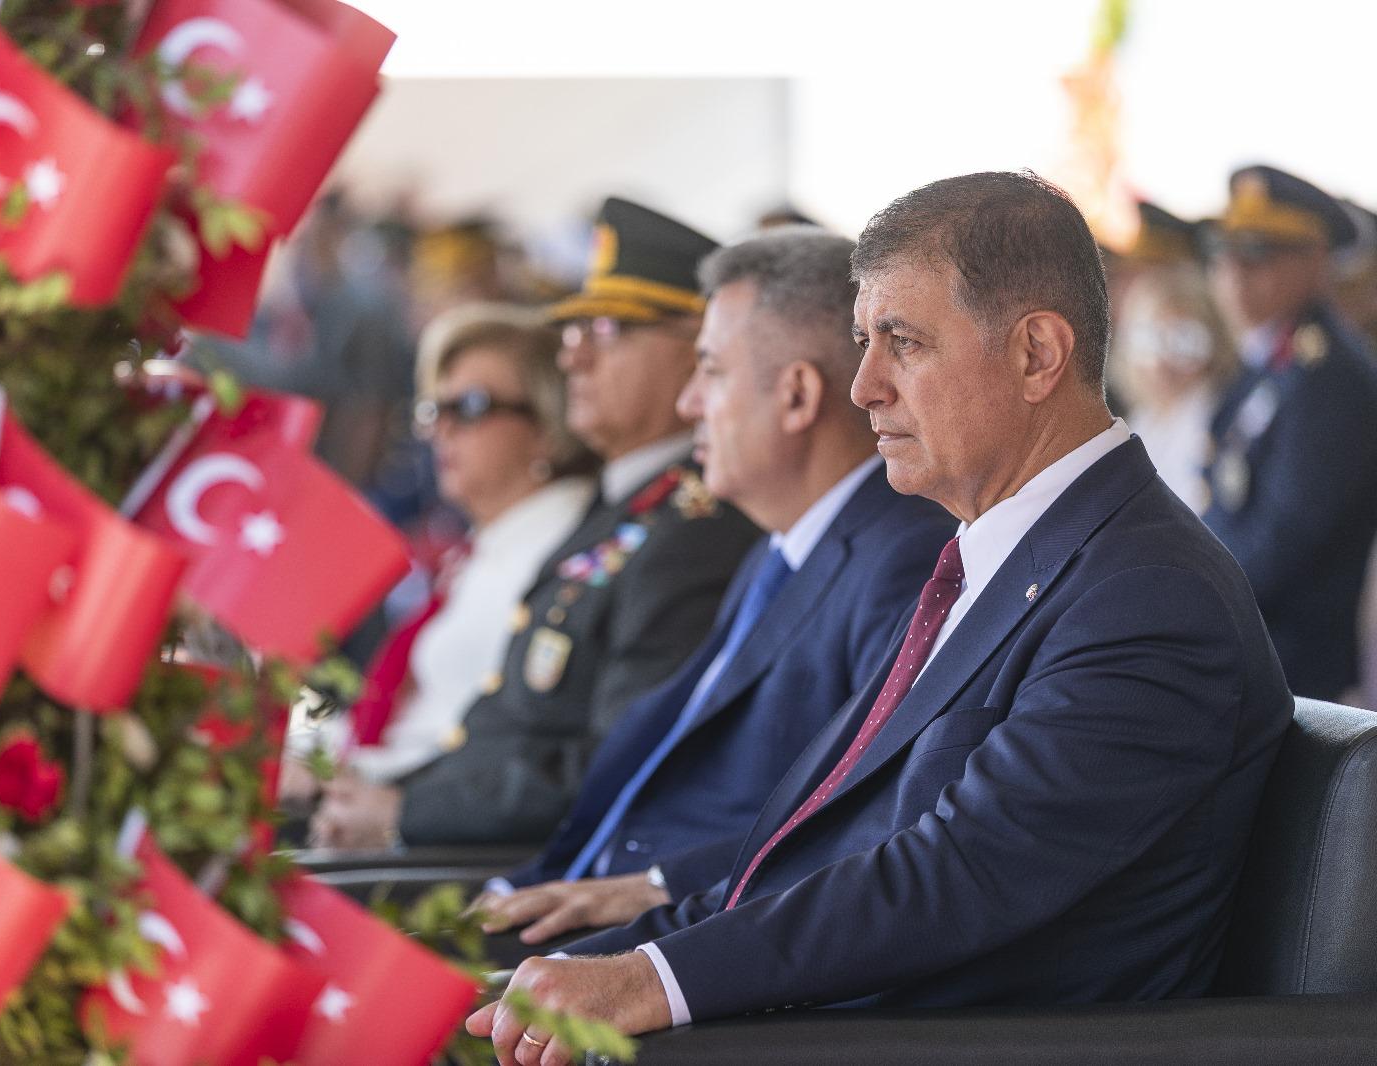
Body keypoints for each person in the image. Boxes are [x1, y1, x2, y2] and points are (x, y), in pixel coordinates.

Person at [468, 171, 1293, 1064]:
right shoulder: (1003, 556)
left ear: (1036, 355)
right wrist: (612, 959)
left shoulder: (1146, 595)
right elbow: (829, 836)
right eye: (865, 342)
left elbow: (959, 874)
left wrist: (653, 980)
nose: (863, 386)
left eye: (902, 342)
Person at [471, 229, 952, 947]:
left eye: (712, 371)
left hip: (700, 932)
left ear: (796, 395)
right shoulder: (775, 551)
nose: (690, 402)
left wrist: (656, 886)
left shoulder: (902, 561)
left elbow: (863, 823)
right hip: (594, 898)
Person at [313, 197, 761, 850]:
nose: (573, 358)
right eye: (574, 333)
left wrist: (403, 813)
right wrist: (379, 794)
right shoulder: (618, 509)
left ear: (696, 348)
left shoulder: (692, 528)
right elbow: (496, 731)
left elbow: (616, 761)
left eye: (607, 330)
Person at [280, 305, 596, 821]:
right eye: (433, 410)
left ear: (547, 425)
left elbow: (479, 751)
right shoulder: (493, 543)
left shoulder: (560, 549)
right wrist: (304, 752)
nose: (440, 430)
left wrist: (337, 777)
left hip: (424, 822)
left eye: (470, 407)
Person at [1202, 164, 1377, 700]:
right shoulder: (1270, 362)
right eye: (1225, 253)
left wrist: (1190, 595)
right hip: (1251, 648)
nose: (1234, 273)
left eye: (1259, 255)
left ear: (1317, 262)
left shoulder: (1330, 376)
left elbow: (1285, 538)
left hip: (1290, 670)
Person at [1108, 262, 1237, 511]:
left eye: (1183, 341)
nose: (1162, 363)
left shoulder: (1221, 420)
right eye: (1149, 340)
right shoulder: (1142, 420)